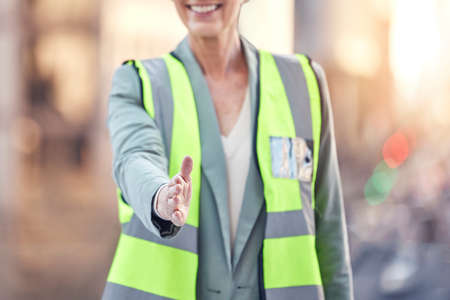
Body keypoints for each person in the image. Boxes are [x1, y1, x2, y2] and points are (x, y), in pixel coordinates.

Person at [102, 0, 354, 299]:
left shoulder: (302, 84)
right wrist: (160, 198)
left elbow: (330, 236)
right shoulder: (138, 83)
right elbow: (134, 158)